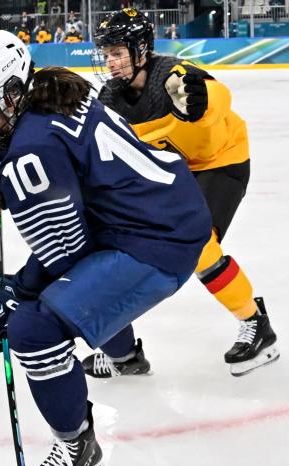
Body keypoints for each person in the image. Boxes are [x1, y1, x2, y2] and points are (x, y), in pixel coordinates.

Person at [0, 31, 211, 466]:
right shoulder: (51, 87)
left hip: (154, 241)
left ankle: (77, 446)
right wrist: (4, 156)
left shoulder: (30, 149)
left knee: (33, 329)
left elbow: (65, 251)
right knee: (82, 291)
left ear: (11, 91)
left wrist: (17, 291)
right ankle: (127, 355)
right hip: (168, 209)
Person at [90, 8, 278, 377]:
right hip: (171, 172)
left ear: (141, 48)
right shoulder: (110, 97)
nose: (109, 62)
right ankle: (123, 351)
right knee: (121, 244)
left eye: (117, 52)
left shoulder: (175, 75)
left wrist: (201, 105)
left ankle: (258, 326)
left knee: (199, 245)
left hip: (220, 163)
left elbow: (216, 95)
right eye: (106, 54)